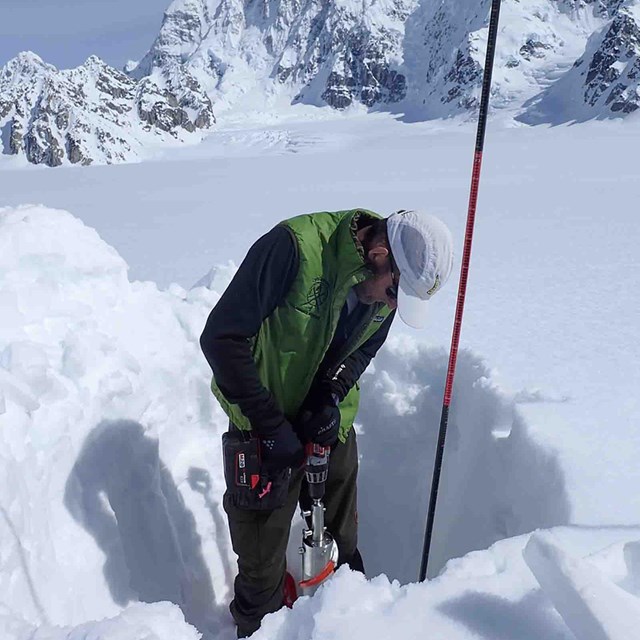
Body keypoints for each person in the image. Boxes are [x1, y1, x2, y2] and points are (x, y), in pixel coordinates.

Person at [200, 208, 453, 637]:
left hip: (326, 425)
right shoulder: (293, 250)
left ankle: (349, 619)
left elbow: (364, 348)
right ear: (377, 253)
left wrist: (330, 394)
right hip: (262, 428)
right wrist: (270, 426)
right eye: (395, 292)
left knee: (344, 551)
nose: (393, 305)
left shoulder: (387, 289)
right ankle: (261, 620)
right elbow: (221, 338)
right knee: (259, 583)